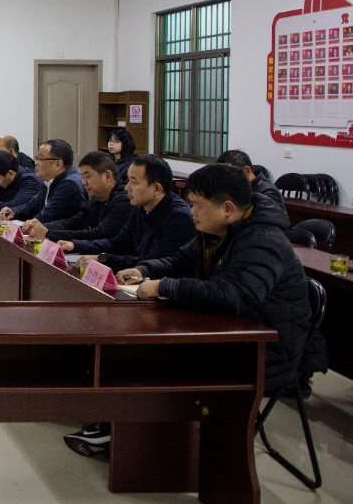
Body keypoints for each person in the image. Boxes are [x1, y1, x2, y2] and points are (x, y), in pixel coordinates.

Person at [119, 164, 325, 387]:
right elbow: (180, 262)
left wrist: (164, 287)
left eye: (197, 205)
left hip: (263, 348)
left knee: (156, 360)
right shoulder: (217, 230)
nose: (192, 212)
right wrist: (145, 270)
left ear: (227, 208)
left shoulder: (264, 240)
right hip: (227, 333)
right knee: (142, 349)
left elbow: (234, 295)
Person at [58, 154, 195, 272]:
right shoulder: (140, 209)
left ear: (156, 188)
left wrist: (103, 259)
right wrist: (75, 245)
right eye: (128, 180)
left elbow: (152, 262)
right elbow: (118, 244)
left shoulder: (179, 218)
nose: (127, 187)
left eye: (134, 182)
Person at [24, 151, 132, 243]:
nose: (84, 183)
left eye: (88, 177)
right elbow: (72, 222)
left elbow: (98, 233)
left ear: (107, 176)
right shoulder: (96, 200)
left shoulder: (124, 201)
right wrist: (42, 226)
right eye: (83, 178)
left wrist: (49, 233)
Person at [0, 139, 86, 224]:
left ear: (57, 164)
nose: (36, 163)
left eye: (40, 159)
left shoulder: (70, 184)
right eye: (37, 158)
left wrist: (29, 224)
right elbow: (33, 205)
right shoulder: (49, 180)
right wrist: (14, 212)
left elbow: (47, 215)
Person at [216, 149, 287, 213]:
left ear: (247, 171)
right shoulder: (236, 189)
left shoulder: (268, 192)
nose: (228, 182)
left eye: (231, 176)